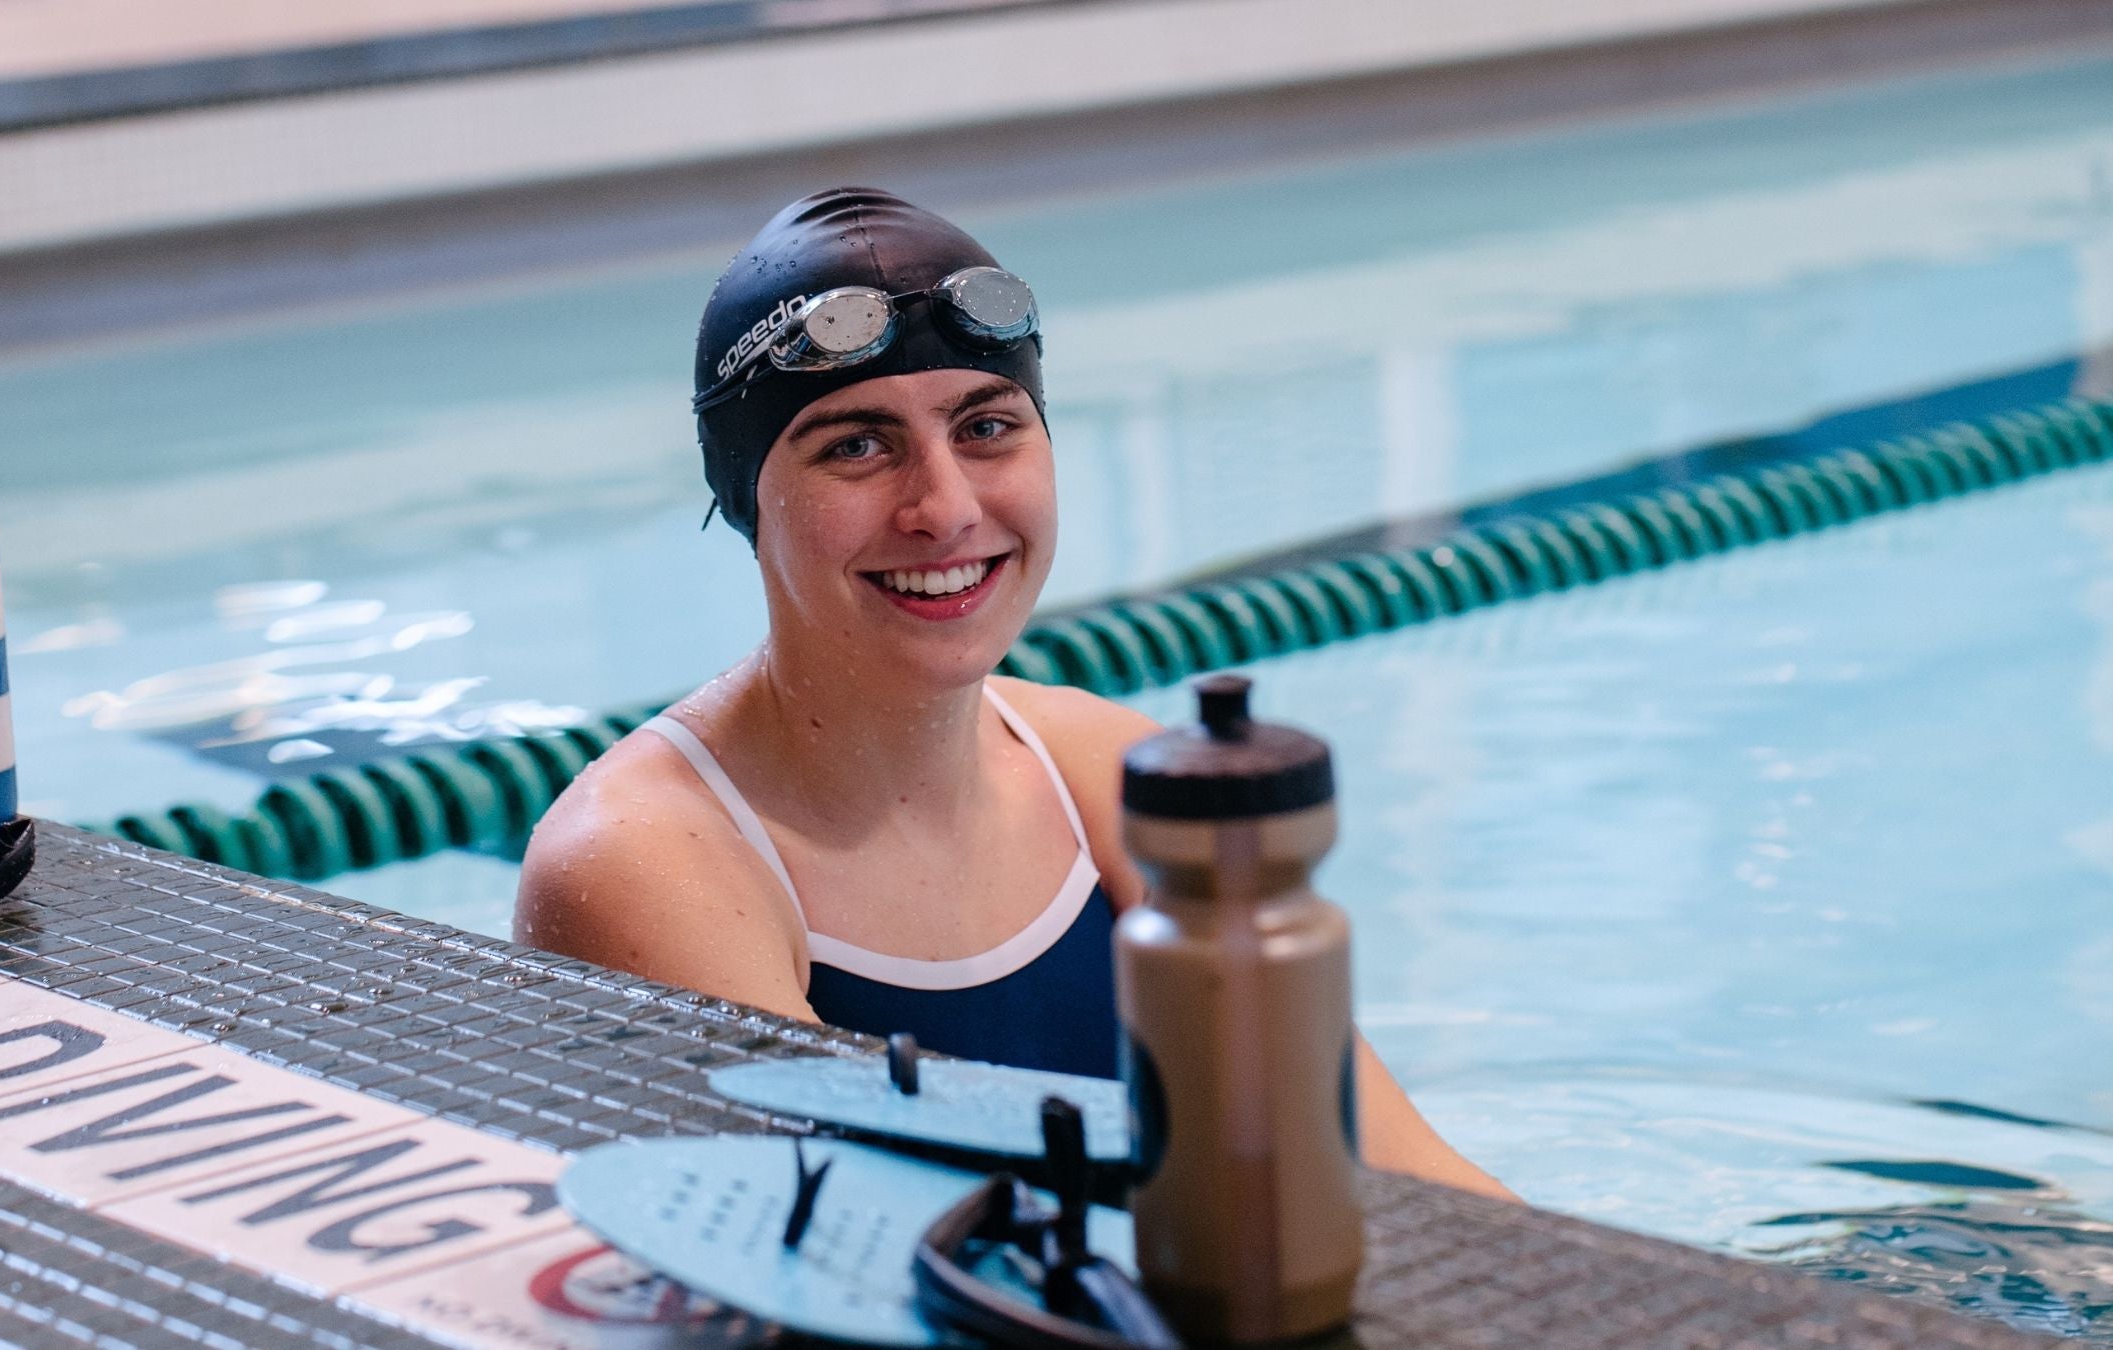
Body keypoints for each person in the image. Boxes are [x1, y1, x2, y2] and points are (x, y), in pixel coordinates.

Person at [515, 188, 1511, 1199]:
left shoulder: (1102, 769)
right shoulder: (643, 864)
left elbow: (1407, 1177)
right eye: (855, 445)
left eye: (987, 427)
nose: (945, 509)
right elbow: (854, 1263)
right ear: (746, 496)